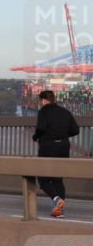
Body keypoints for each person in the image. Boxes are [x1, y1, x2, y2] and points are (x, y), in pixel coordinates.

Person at [33, 90, 81, 218]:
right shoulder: (65, 112)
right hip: (63, 146)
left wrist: (36, 136)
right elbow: (75, 130)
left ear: (43, 100)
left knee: (42, 177)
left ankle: (55, 198)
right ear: (53, 99)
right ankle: (59, 210)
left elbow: (41, 128)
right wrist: (63, 135)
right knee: (58, 178)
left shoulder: (43, 111)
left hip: (48, 146)